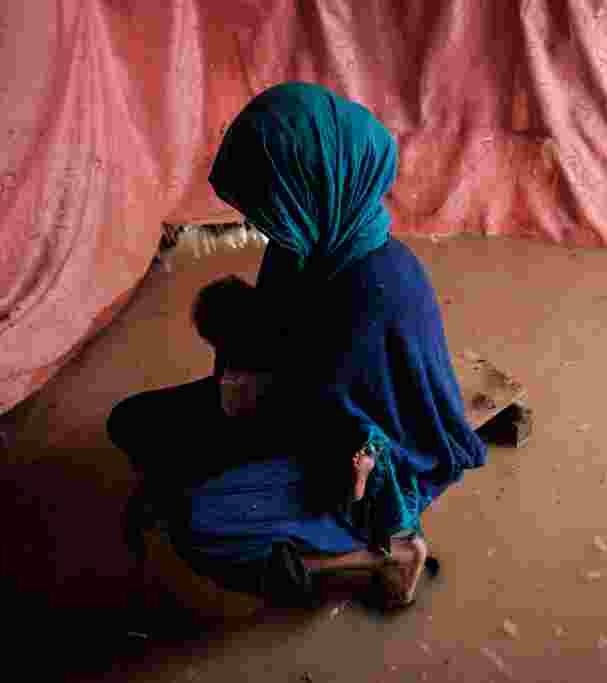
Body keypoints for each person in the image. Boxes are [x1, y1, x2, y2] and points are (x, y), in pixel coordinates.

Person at [208, 82, 487, 584]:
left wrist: (253, 399)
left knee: (202, 522)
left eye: (266, 201)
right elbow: (277, 337)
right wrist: (238, 351)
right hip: (305, 408)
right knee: (134, 423)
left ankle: (386, 554)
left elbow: (356, 429)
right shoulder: (302, 245)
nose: (254, 220)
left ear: (313, 188)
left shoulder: (381, 290)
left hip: (366, 451)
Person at [108, 275, 436, 609]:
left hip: (323, 467)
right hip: (291, 435)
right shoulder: (260, 354)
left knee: (199, 530)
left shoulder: (302, 386)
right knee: (126, 420)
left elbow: (337, 473)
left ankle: (368, 558)